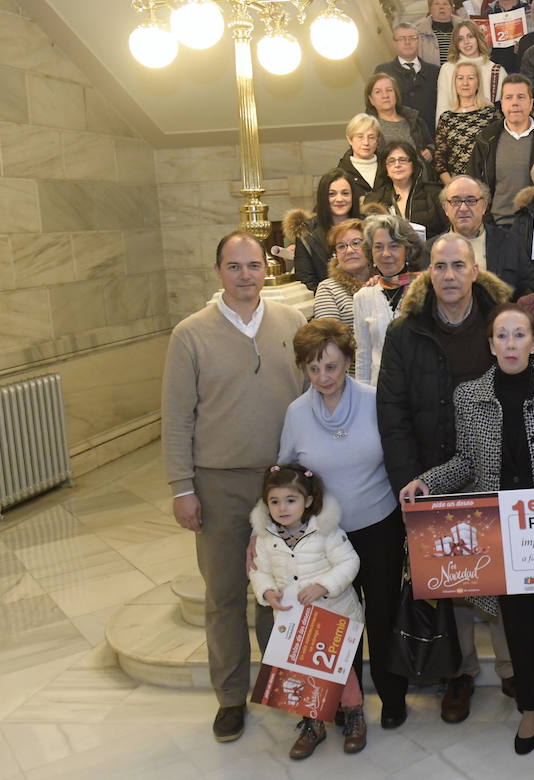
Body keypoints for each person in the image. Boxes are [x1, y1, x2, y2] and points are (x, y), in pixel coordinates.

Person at [400, 304, 534, 760]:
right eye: (502, 336)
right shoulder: (469, 396)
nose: (511, 344)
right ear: (491, 345)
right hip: (500, 532)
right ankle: (530, 706)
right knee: (516, 625)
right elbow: (467, 462)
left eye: (519, 335)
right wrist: (428, 481)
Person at [163, 232, 305, 743]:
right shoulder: (190, 334)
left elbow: (311, 396)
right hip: (218, 483)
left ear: (267, 269)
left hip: (280, 486)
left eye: (254, 265)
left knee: (279, 592)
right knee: (224, 594)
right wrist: (183, 487)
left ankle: (282, 685)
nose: (246, 275)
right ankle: (229, 698)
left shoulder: (292, 323)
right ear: (218, 270)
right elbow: (177, 417)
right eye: (235, 266)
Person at [376, 233, 517, 722]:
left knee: (501, 578)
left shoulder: (502, 322)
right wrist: (408, 480)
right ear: (427, 273)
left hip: (494, 470)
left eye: (459, 265)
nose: (450, 275)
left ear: (476, 269)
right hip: (432, 477)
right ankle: (460, 673)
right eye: (441, 267)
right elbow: (391, 413)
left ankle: (512, 666)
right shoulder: (405, 332)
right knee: (453, 582)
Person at [274, 318, 410, 743]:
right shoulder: (296, 413)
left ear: (349, 361)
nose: (323, 378)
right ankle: (345, 702)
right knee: (334, 621)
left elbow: (398, 457)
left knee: (382, 613)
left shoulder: (374, 400)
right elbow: (286, 474)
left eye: (331, 367)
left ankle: (392, 697)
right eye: (313, 369)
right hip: (327, 539)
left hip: (379, 527)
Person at [250, 463, 367, 759]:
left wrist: (323, 586)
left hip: (332, 618)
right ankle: (313, 723)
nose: (282, 508)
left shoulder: (325, 532)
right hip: (295, 624)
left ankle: (353, 715)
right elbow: (259, 571)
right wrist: (266, 591)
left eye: (291, 500)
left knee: (341, 673)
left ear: (308, 501)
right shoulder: (266, 538)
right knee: (302, 676)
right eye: (275, 502)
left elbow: (349, 563)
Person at [465, 74, 534, 228]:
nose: (515, 103)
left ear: (531, 103)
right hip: (495, 226)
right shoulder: (486, 140)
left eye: (521, 97)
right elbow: (472, 184)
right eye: (509, 98)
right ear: (502, 104)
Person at [436, 175, 534, 295]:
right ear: (445, 208)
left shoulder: (509, 242)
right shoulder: (432, 249)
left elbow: (531, 289)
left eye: (471, 201)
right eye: (456, 201)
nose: (463, 208)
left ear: (484, 206)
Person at [353, 212, 424, 385]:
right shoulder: (363, 297)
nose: (385, 254)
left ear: (407, 250)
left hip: (421, 388)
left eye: (394, 246)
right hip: (380, 392)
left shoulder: (424, 289)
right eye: (378, 247)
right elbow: (363, 356)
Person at [289, 168, 363, 292]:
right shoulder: (307, 233)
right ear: (323, 197)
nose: (339, 199)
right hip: (326, 300)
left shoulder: (368, 226)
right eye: (331, 194)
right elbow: (306, 280)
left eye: (345, 193)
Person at [434, 60, 500, 183]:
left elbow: (498, 152)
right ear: (454, 83)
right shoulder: (446, 118)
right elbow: (439, 159)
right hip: (455, 186)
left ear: (478, 83)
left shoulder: (490, 114)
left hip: (485, 184)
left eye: (470, 78)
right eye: (460, 78)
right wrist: (451, 186)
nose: (465, 83)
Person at [369, 141, 448, 239]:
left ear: (413, 165)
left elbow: (448, 230)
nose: (397, 165)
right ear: (386, 169)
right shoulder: (374, 199)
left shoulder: (434, 194)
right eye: (391, 161)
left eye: (402, 160)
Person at [375, 24, 443, 129]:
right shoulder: (383, 71)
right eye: (402, 39)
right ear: (394, 43)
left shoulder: (435, 72)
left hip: (430, 136)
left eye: (412, 38)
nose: (407, 42)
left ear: (418, 41)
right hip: (396, 137)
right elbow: (373, 107)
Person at [313, 219, 374, 330]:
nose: (349, 251)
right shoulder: (328, 289)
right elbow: (329, 338)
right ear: (335, 254)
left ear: (370, 247)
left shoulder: (384, 281)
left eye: (356, 243)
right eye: (341, 246)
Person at [436, 20, 505, 118]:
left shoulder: (496, 70)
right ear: (456, 43)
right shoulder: (447, 69)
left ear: (478, 38)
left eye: (470, 36)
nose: (466, 42)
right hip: (453, 130)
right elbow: (441, 108)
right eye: (460, 39)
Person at [364, 72, 434, 161]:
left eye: (389, 90)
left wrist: (430, 151)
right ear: (371, 99)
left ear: (396, 95)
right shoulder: (367, 127)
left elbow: (431, 144)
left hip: (421, 173)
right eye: (378, 92)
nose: (385, 95)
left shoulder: (415, 121)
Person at [485, 0, 531, 73]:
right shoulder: (486, 16)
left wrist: (525, 46)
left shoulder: (530, 12)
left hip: (526, 72)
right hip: (495, 75)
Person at [336, 113, 381, 207]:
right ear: (350, 139)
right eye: (360, 137)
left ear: (378, 140)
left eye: (371, 137)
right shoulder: (340, 174)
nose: (366, 142)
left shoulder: (389, 168)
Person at [412, 0, 465, 68]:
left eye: (445, 4)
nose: (441, 7)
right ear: (430, 8)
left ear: (451, 7)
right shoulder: (419, 32)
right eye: (437, 4)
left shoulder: (464, 28)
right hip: (431, 77)